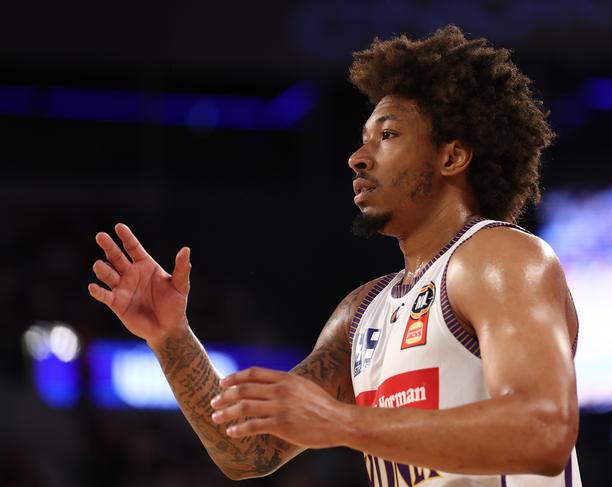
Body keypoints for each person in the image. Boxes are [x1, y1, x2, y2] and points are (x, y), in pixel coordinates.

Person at [88, 25, 581, 486]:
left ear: (451, 157)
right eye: (363, 140)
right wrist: (171, 338)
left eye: (387, 136)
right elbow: (250, 452)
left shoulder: (502, 257)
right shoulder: (361, 313)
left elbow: (545, 429)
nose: (358, 158)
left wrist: (343, 422)